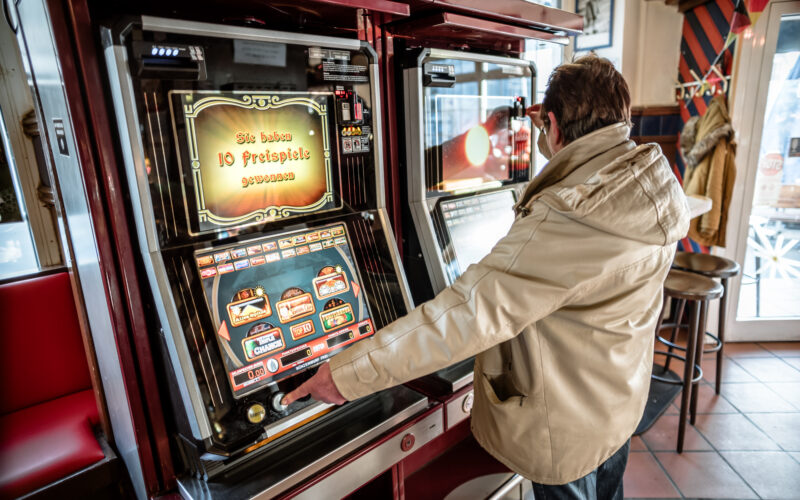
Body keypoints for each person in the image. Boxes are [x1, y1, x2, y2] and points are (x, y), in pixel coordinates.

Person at [284, 55, 690, 499]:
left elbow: (465, 315)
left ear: (552, 126)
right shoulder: (648, 182)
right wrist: (554, 125)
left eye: (545, 127)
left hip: (566, 427)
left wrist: (345, 374)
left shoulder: (569, 217)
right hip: (615, 401)